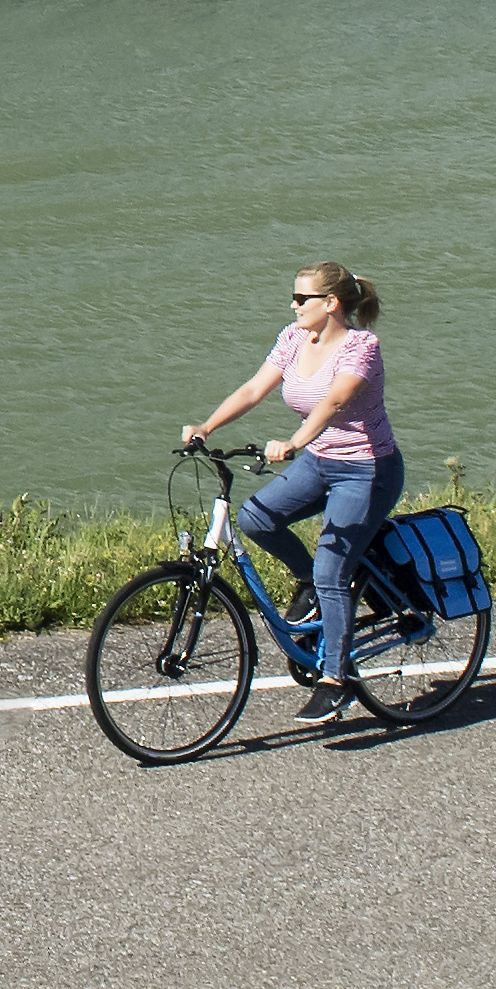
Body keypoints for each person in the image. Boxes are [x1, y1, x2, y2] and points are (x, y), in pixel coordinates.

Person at [185, 264, 400, 720]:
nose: (294, 305)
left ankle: (337, 679)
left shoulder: (362, 347)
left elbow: (335, 401)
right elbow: (254, 388)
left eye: (303, 299)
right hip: (321, 462)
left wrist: (295, 441)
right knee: (255, 518)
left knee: (332, 570)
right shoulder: (293, 338)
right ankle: (310, 582)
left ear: (331, 304)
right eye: (294, 298)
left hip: (366, 470)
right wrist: (207, 425)